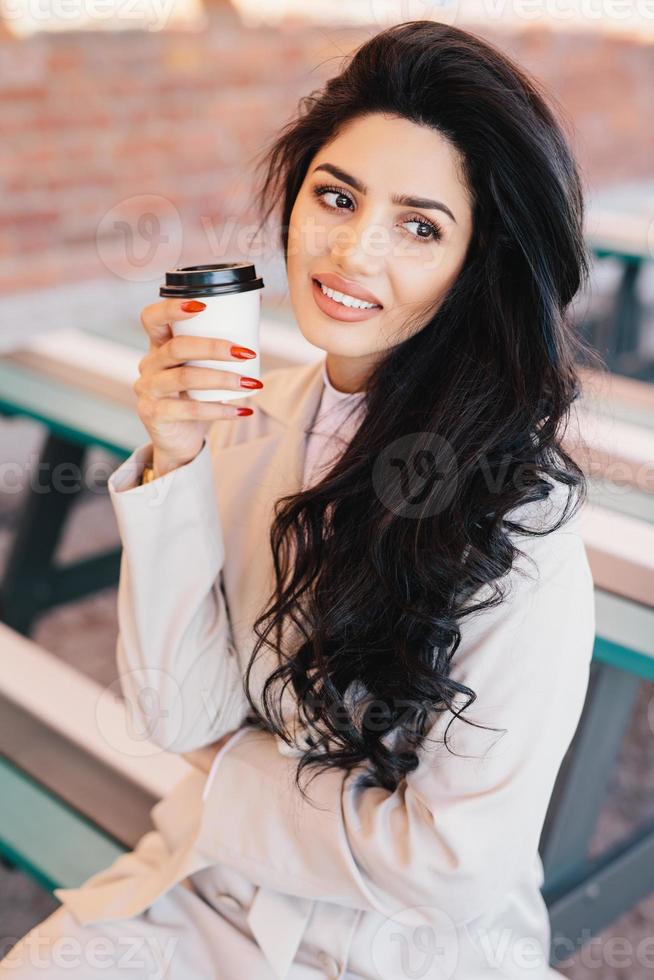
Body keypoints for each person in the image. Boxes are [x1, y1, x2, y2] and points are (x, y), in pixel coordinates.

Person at [1, 19, 602, 980]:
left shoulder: (521, 518)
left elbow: (450, 864)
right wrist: (175, 457)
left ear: (474, 265)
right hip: (211, 897)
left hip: (408, 952)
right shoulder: (245, 421)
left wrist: (228, 776)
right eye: (336, 196)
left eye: (419, 225)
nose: (353, 252)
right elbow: (177, 715)